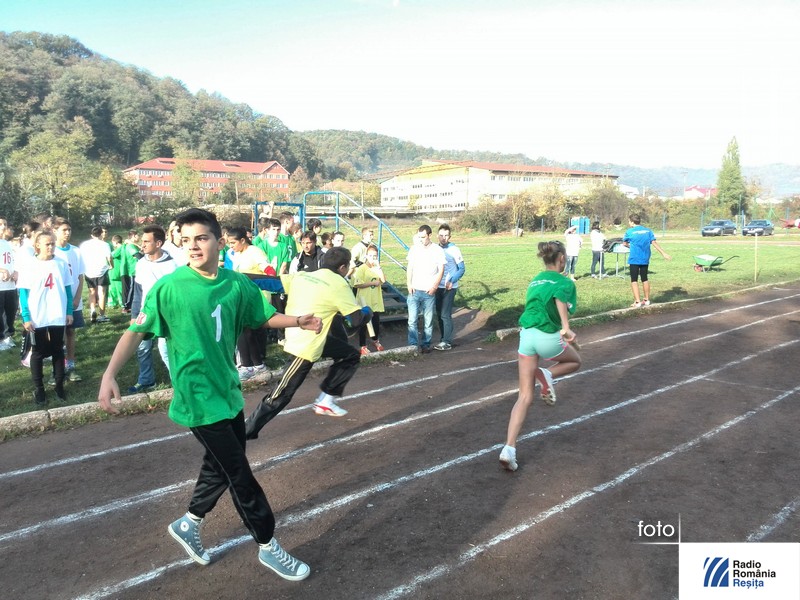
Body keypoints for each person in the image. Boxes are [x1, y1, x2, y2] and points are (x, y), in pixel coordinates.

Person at [98, 207, 321, 581]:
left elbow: (262, 317)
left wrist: (297, 320)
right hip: (198, 397)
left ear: (220, 242)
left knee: (221, 463)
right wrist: (109, 374)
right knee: (240, 475)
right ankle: (268, 545)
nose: (193, 246)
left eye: (201, 238)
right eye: (186, 240)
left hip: (227, 391)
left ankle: (189, 522)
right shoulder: (170, 287)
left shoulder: (235, 283)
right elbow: (136, 331)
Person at [245, 246, 372, 435]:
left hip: (312, 337)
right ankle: (246, 432)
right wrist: (367, 311)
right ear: (343, 267)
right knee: (281, 394)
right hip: (304, 346)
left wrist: (240, 278)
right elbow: (356, 320)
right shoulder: (340, 284)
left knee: (350, 355)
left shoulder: (302, 276)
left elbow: (269, 282)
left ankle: (326, 400)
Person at [499, 241, 582, 472]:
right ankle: (547, 373)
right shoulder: (564, 281)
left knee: (524, 396)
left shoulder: (535, 280)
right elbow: (559, 298)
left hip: (526, 336)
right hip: (547, 337)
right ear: (562, 259)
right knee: (575, 361)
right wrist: (566, 327)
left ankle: (509, 449)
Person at [19, 231, 73, 406]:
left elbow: (68, 289)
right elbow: (23, 293)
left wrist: (69, 311)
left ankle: (59, 385)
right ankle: (39, 389)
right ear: (38, 245)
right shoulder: (29, 264)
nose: (51, 247)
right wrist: (26, 316)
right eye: (47, 244)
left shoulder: (61, 263)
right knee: (38, 352)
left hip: (57, 312)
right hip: (38, 315)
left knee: (58, 349)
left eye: (52, 244)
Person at [128, 225, 177, 393]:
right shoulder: (141, 263)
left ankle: (178, 381)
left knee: (166, 350)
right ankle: (147, 380)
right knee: (142, 348)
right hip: (145, 313)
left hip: (165, 315)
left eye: (146, 241)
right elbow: (138, 291)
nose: (142, 245)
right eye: (142, 241)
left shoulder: (172, 266)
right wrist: (134, 315)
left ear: (158, 243)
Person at [227, 226, 271, 381]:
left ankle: (249, 366)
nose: (230, 246)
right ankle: (255, 365)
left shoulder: (255, 252)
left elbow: (268, 269)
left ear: (242, 240)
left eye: (233, 243)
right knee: (245, 330)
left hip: (256, 296)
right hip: (243, 296)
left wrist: (272, 279)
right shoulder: (237, 254)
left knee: (245, 329)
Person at [53, 217, 85, 382]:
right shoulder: (52, 252)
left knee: (71, 331)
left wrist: (77, 297)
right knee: (56, 334)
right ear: (55, 231)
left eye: (69, 230)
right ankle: (56, 368)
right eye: (64, 230)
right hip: (57, 300)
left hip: (73, 300)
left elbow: (80, 276)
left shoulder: (76, 251)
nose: (67, 233)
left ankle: (70, 365)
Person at [406, 225, 445, 353]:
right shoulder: (414, 249)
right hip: (414, 290)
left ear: (429, 235)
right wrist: (409, 284)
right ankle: (412, 346)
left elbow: (441, 270)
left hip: (429, 291)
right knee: (412, 320)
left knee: (428, 321)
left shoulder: (437, 250)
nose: (421, 240)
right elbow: (410, 267)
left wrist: (435, 287)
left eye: (423, 237)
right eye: (419, 237)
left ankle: (425, 344)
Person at [623, 214, 671, 308]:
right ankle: (646, 299)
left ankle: (637, 302)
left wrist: (630, 246)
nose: (629, 223)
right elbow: (654, 242)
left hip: (634, 258)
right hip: (645, 258)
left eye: (629, 221)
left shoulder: (629, 231)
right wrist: (663, 253)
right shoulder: (648, 231)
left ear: (632, 222)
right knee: (644, 278)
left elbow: (625, 243)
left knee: (634, 280)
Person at [434, 224, 465, 351]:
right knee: (439, 314)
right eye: (441, 235)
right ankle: (443, 338)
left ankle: (447, 341)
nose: (443, 238)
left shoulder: (454, 249)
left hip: (449, 287)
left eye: (446, 235)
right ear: (437, 236)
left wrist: (452, 280)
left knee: (445, 314)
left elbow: (462, 268)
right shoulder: (435, 249)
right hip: (437, 286)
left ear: (450, 236)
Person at [352, 244, 385, 355]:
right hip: (364, 299)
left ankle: (375, 340)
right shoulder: (362, 268)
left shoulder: (377, 268)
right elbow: (357, 284)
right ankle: (363, 345)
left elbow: (383, 280)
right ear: (366, 256)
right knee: (364, 323)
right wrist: (372, 283)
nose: (373, 258)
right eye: (370, 256)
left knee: (376, 322)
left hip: (375, 299)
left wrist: (379, 268)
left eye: (375, 256)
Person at [79, 226, 113, 323]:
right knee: (102, 293)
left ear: (91, 235)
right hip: (102, 270)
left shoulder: (84, 244)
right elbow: (109, 257)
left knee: (92, 292)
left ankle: (92, 310)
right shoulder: (105, 244)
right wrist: (111, 265)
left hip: (89, 271)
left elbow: (80, 257)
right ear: (101, 234)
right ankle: (102, 315)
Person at [0, 218, 18, 351]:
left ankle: (8, 337)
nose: (3, 226)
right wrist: (2, 270)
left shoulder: (7, 243)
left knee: (10, 312)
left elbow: (14, 261)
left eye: (4, 224)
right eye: (0, 224)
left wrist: (15, 272)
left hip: (10, 285)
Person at [108, 235, 124, 309]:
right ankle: (113, 303)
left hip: (116, 271)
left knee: (118, 288)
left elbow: (111, 255)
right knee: (113, 288)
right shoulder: (122, 248)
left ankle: (121, 302)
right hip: (115, 272)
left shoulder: (120, 248)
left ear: (115, 242)